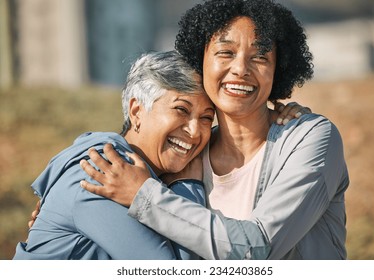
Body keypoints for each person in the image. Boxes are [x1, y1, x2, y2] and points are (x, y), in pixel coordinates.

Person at [79, 0, 349, 260]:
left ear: (278, 69)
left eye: (260, 57)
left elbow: (257, 250)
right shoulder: (189, 151)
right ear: (201, 61)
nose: (241, 69)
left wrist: (145, 196)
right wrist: (54, 202)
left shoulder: (311, 139)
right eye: (226, 52)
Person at [13, 50, 216, 259]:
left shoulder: (145, 176)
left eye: (207, 118)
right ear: (136, 111)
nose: (194, 131)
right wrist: (188, 185)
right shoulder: (100, 171)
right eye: (181, 110)